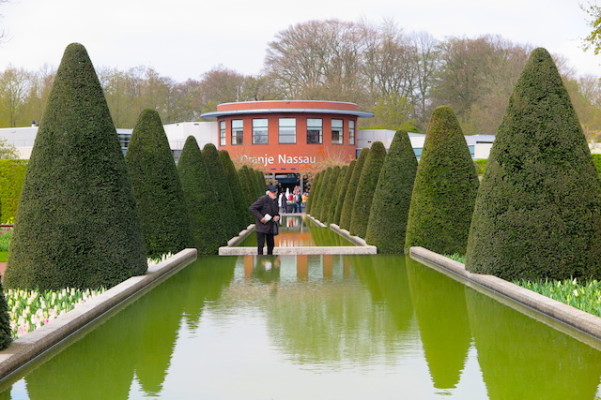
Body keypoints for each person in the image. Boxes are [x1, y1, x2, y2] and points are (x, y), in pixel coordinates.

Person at [249, 185, 280, 255]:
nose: (274, 193)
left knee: (271, 245)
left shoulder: (275, 201)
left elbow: (277, 212)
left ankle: (270, 258)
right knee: (261, 245)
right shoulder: (263, 199)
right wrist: (261, 217)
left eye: (275, 192)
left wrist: (277, 216)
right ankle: (260, 260)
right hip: (261, 227)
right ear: (268, 192)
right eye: (273, 192)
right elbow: (252, 208)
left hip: (270, 226)